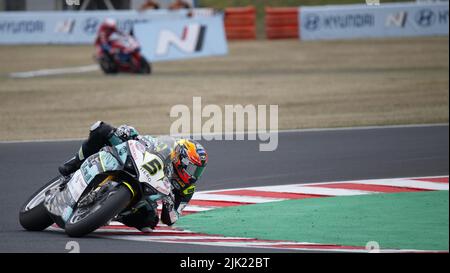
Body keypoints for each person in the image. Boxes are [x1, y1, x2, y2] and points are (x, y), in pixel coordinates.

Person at [58, 121, 208, 232]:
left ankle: (113, 211)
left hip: (145, 195)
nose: (193, 174)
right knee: (101, 129)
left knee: (149, 223)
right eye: (191, 168)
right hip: (134, 163)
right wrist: (129, 133)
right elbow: (146, 140)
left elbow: (172, 218)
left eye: (197, 171)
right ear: (180, 158)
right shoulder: (165, 148)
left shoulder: (187, 188)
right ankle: (74, 163)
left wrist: (169, 205)